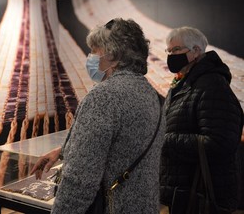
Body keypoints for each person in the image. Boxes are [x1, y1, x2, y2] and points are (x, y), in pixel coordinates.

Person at [31, 18, 164, 214]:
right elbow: (123, 144)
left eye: (95, 51)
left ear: (113, 55)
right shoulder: (151, 94)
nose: (91, 57)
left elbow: (80, 180)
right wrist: (64, 151)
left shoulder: (102, 97)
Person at [160, 26, 244, 213]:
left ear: (196, 51)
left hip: (204, 196)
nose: (171, 55)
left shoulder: (212, 85)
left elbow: (220, 142)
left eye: (176, 50)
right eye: (169, 50)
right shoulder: (184, 84)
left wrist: (165, 140)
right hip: (184, 194)